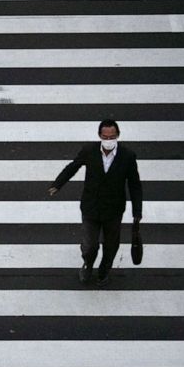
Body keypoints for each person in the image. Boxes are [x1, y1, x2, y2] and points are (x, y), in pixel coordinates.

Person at [48, 119, 143, 287]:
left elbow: (135, 185)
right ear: (100, 135)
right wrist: (58, 184)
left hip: (113, 209)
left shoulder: (127, 156)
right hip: (91, 207)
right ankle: (88, 264)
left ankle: (104, 270)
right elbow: (73, 167)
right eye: (105, 137)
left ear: (118, 135)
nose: (108, 140)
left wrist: (137, 212)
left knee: (111, 245)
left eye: (112, 136)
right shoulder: (89, 151)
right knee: (90, 245)